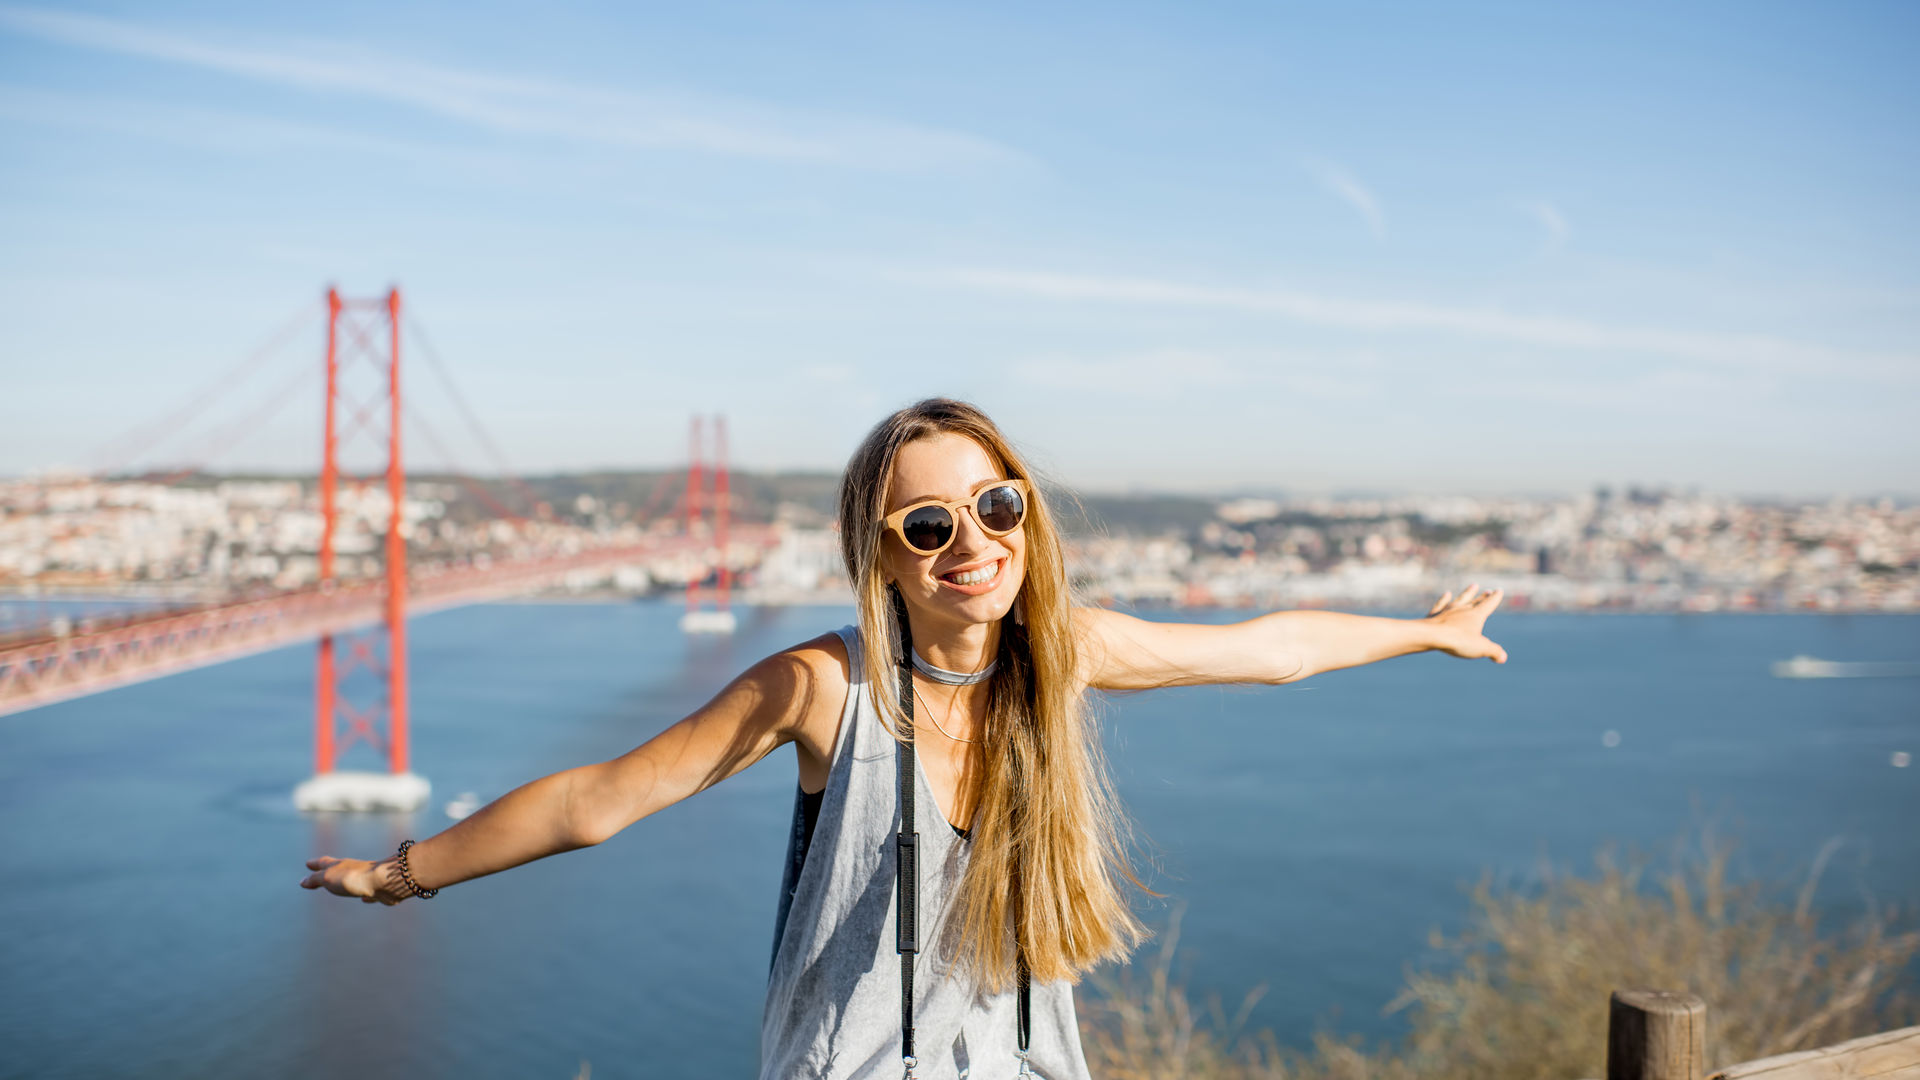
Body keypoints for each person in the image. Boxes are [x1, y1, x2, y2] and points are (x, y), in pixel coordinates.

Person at [300, 397, 1509, 1079]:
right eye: (928, 525)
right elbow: (598, 803)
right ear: (880, 555)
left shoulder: (1062, 655)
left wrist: (1426, 631)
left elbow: (1271, 647)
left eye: (995, 505)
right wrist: (397, 875)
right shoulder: (822, 688)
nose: (972, 543)